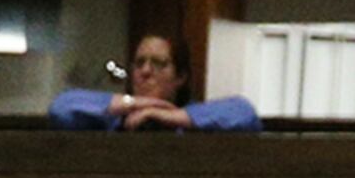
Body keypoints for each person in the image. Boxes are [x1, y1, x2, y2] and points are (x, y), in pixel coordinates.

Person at [47, 32, 259, 134]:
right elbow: (61, 108)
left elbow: (245, 114)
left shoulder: (193, 118)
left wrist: (173, 116)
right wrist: (135, 104)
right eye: (139, 63)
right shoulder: (114, 119)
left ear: (180, 77)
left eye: (159, 64)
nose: (145, 71)